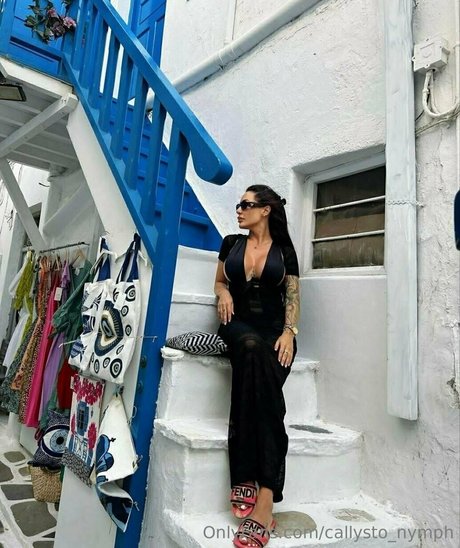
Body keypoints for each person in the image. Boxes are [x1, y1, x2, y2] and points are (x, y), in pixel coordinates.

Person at [214, 184, 300, 548]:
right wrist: (224, 293)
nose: (239, 209)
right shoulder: (231, 243)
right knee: (250, 349)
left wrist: (289, 333)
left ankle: (256, 487)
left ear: (265, 210)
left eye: (246, 204)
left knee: (261, 382)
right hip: (238, 327)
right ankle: (264, 494)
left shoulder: (284, 250)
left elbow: (293, 296)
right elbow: (220, 281)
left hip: (274, 334)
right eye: (239, 204)